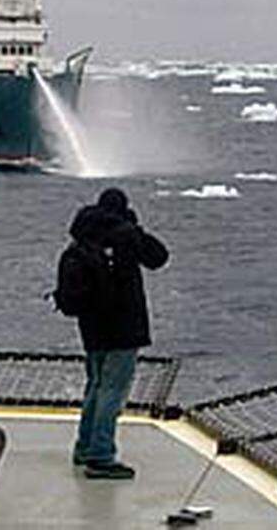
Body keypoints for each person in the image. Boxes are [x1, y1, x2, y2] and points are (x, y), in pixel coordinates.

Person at [68, 187, 168, 479]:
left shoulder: (82, 235)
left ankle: (84, 446)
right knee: (113, 390)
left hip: (91, 327)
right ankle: (101, 456)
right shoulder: (126, 234)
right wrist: (135, 227)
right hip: (124, 326)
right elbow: (158, 257)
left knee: (95, 385)